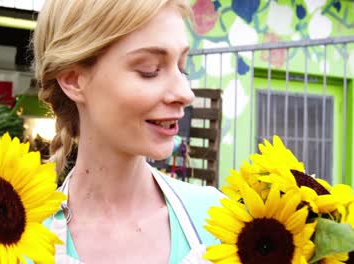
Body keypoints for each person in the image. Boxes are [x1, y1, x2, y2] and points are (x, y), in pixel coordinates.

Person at [32, 0, 224, 263]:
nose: (185, 93)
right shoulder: (22, 243)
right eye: (150, 71)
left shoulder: (218, 221)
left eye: (182, 68)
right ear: (73, 79)